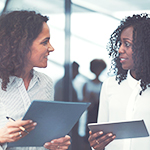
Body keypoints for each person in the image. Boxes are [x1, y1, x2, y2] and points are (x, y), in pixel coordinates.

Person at [0, 10, 71, 150]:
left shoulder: (45, 83)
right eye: (44, 42)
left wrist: (55, 144)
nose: (51, 48)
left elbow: (44, 137)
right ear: (22, 45)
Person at [88, 13, 150, 150]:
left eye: (127, 44)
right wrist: (96, 145)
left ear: (145, 48)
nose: (120, 50)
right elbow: (100, 140)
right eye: (120, 43)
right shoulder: (110, 85)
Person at [82, 59, 106, 150]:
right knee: (88, 135)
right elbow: (84, 101)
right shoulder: (87, 84)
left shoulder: (103, 84)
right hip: (90, 112)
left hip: (99, 113)